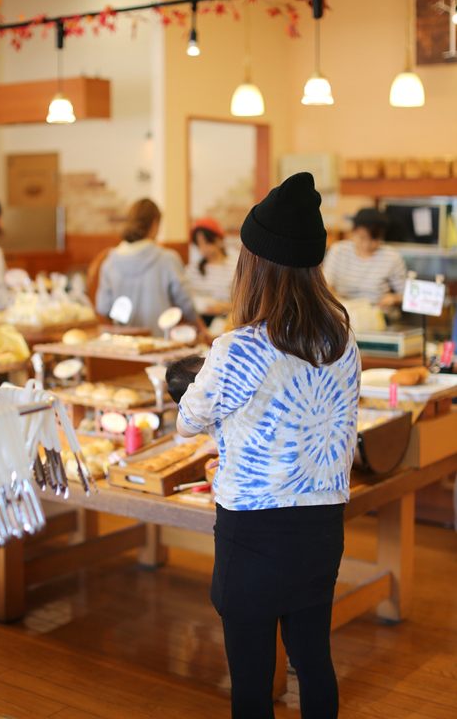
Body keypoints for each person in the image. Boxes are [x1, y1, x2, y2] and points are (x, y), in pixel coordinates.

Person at [176, 172, 361, 719]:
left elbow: (188, 420)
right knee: (315, 662)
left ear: (254, 263)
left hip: (254, 533)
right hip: (322, 526)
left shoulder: (238, 347)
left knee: (252, 683)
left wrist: (192, 382)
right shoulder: (342, 340)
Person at [95, 198, 209, 339]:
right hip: (161, 344)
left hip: (123, 346)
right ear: (155, 224)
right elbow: (185, 303)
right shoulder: (167, 259)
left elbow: (103, 308)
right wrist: (202, 328)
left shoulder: (109, 263)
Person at [323, 207, 407, 307]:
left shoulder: (392, 257)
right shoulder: (338, 251)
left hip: (377, 311)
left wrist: (394, 298)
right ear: (353, 232)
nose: (366, 245)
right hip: (342, 309)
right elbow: (325, 285)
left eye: (374, 239)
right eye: (362, 238)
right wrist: (340, 303)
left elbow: (405, 295)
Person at [186, 217, 238, 323]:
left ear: (218, 239)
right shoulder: (193, 269)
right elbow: (186, 296)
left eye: (207, 242)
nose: (204, 248)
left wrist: (226, 307)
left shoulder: (234, 267)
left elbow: (243, 303)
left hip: (226, 322)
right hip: (199, 322)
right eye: (199, 244)